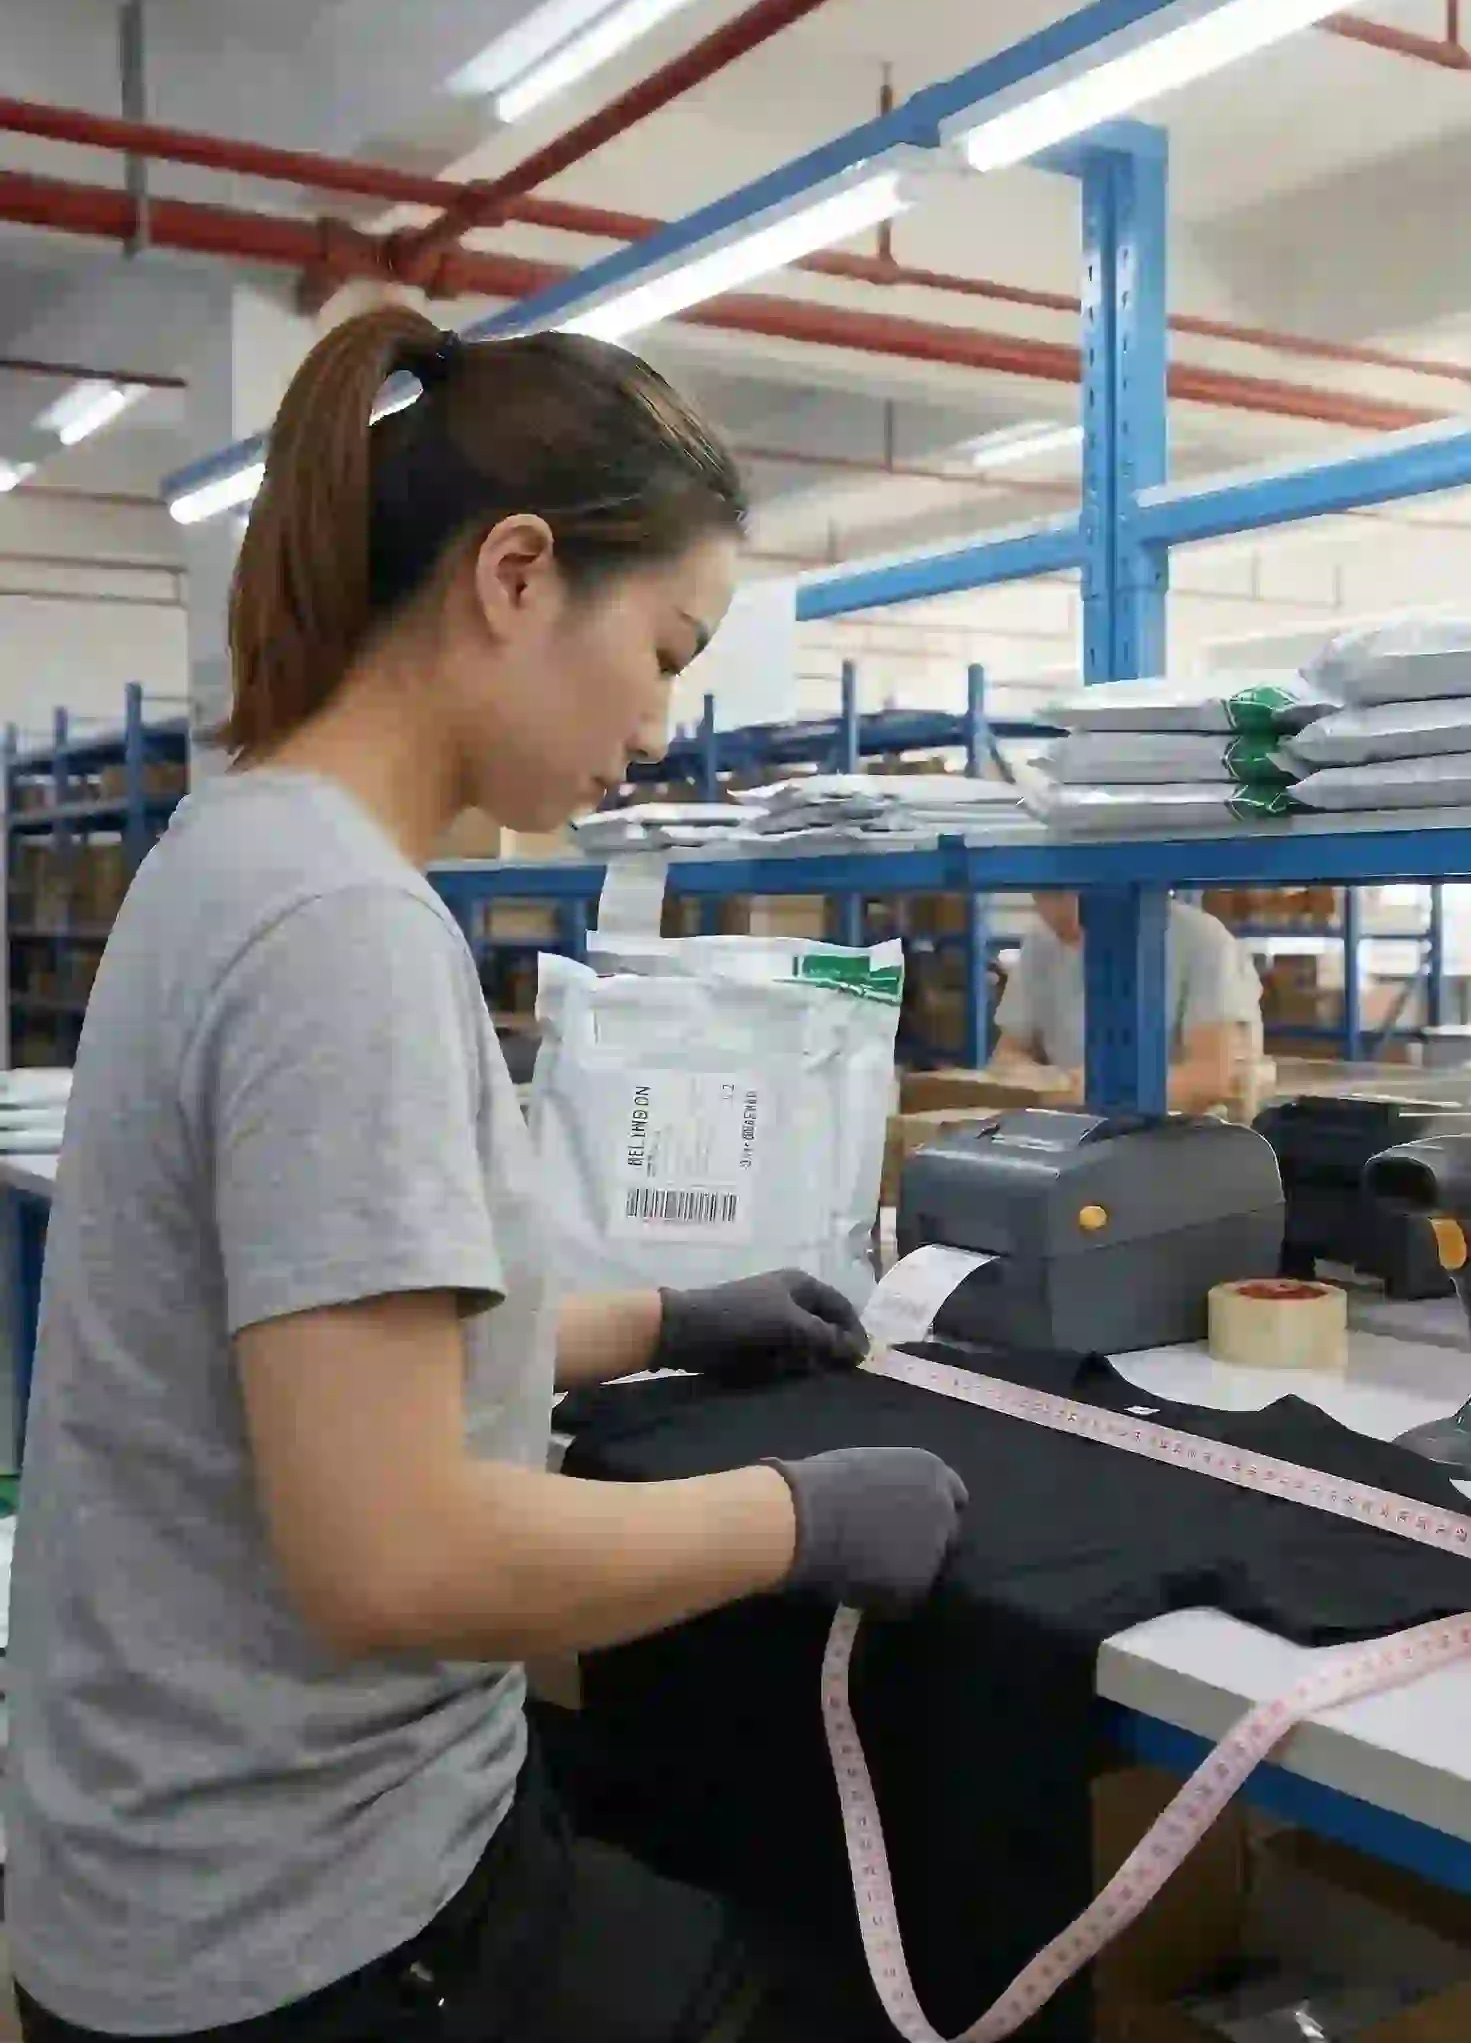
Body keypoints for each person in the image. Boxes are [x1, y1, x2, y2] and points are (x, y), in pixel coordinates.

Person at [6, 307, 968, 2043]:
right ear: (517, 576)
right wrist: (799, 1518)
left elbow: (328, 1349)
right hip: (312, 1940)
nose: (665, 723)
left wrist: (657, 1318)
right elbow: (390, 1553)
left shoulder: (238, 850)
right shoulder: (339, 935)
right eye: (667, 647)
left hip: (167, 1889)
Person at [991, 890, 1263, 1110]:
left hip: (1177, 1142)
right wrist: (1031, 1077)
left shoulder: (1202, 941)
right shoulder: (1043, 942)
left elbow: (1211, 1079)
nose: (1052, 913)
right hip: (1073, 1133)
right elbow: (1009, 1052)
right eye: (1042, 895)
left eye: (1064, 894)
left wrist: (1104, 1090)